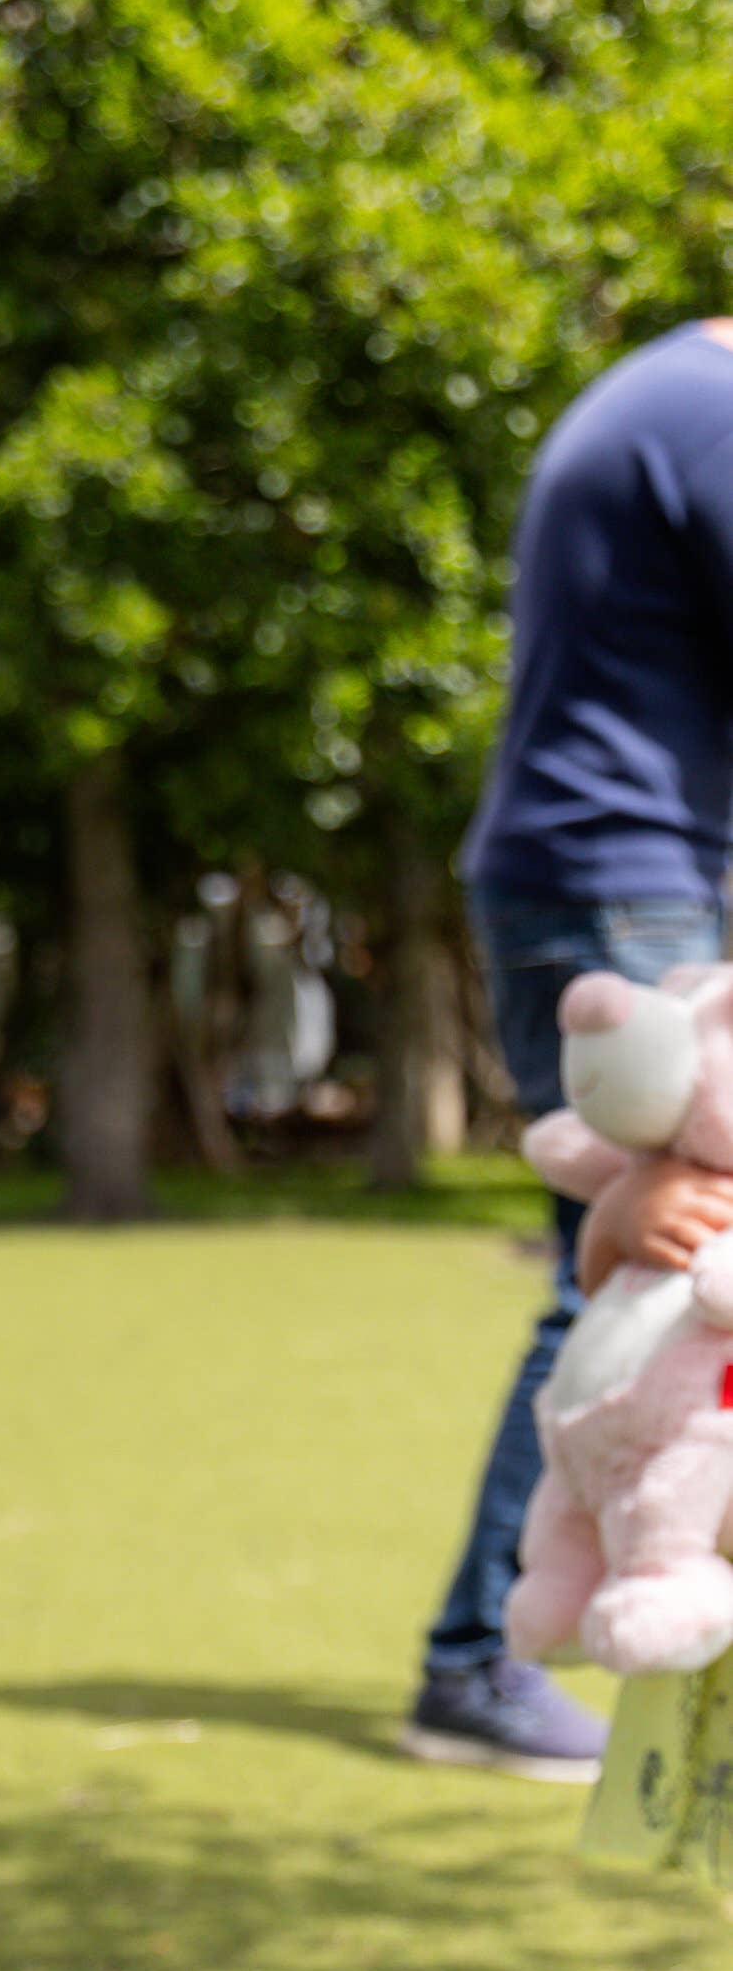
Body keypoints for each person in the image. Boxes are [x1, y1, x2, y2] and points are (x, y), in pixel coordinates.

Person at [404, 321, 733, 1779]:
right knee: (647, 1258)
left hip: (599, 867)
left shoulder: (660, 393)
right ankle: (482, 1658)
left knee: (637, 1258)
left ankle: (504, 1646)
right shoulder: (710, 415)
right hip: (626, 876)